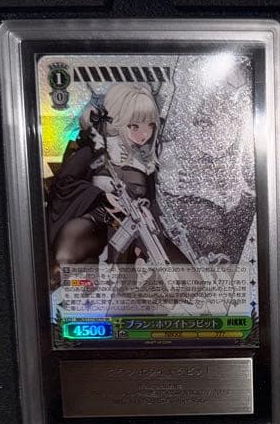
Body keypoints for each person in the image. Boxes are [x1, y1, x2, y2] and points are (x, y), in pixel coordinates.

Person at [47, 81, 188, 278]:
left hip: (137, 227)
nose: (144, 134)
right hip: (98, 220)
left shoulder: (146, 161)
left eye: (150, 125)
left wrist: (147, 223)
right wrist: (101, 197)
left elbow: (152, 203)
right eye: (134, 126)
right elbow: (63, 185)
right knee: (66, 254)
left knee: (186, 277)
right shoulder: (95, 150)